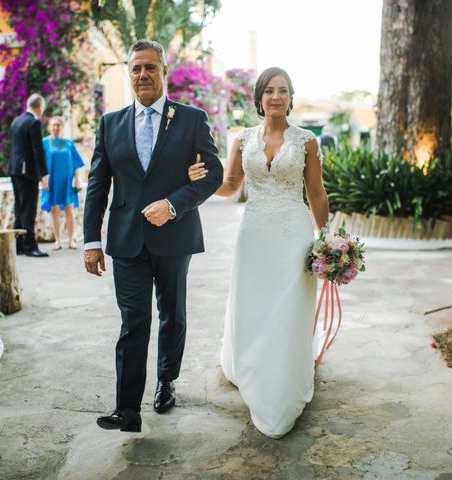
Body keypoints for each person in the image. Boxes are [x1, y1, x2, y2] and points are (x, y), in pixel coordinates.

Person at [83, 39, 223, 432]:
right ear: (128, 74)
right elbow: (98, 186)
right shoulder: (110, 124)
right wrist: (91, 240)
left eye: (150, 67)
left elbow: (213, 174)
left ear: (164, 71)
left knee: (172, 315)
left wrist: (174, 204)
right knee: (133, 321)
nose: (142, 74)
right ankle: (127, 409)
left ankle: (167, 380)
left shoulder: (191, 119)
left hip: (175, 237)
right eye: (135, 68)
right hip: (126, 239)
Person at [188, 67, 330, 438]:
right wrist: (198, 182)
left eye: (283, 90)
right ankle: (252, 366)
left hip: (293, 236)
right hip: (253, 236)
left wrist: (326, 237)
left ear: (291, 97)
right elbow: (231, 184)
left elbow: (315, 193)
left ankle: (282, 382)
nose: (276, 97)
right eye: (269, 90)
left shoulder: (306, 141)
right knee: (254, 305)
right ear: (259, 98)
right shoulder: (242, 139)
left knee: (287, 309)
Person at [8, 94, 49, 257]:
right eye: (42, 109)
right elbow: (37, 151)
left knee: (19, 207)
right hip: (27, 172)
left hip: (14, 170)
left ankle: (18, 245)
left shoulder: (16, 121)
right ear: (38, 107)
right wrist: (44, 174)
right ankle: (30, 246)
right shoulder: (33, 122)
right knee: (28, 209)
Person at [40, 116, 84, 250]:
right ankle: (58, 240)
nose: (55, 127)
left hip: (67, 181)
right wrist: (43, 179)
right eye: (53, 125)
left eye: (58, 125)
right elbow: (40, 163)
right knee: (54, 210)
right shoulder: (45, 142)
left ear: (62, 127)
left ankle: (71, 240)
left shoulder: (69, 143)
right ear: (49, 126)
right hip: (52, 180)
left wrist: (76, 179)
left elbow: (76, 163)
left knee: (69, 209)